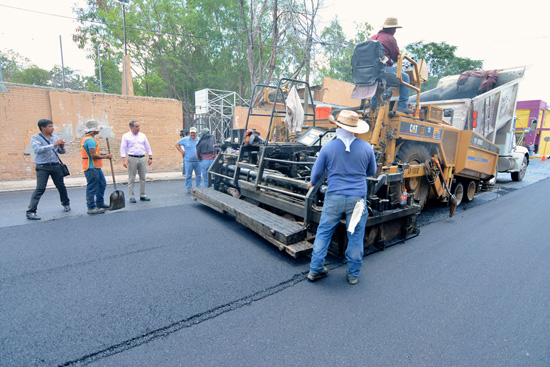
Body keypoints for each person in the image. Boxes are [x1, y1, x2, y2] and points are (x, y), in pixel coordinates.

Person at [307, 110, 377, 285]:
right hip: (357, 200)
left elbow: (316, 175)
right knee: (355, 235)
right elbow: (371, 172)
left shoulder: (328, 147)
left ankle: (315, 270)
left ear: (337, 125)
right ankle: (353, 274)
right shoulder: (366, 147)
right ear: (355, 128)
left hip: (334, 197)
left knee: (324, 233)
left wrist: (311, 183)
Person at [26, 119, 71, 220]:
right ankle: (31, 211)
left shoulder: (55, 137)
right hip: (42, 167)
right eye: (50, 126)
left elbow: (61, 152)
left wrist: (62, 147)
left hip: (55, 165)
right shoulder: (35, 138)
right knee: (40, 188)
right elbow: (37, 149)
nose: (52, 128)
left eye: (52, 126)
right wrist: (54, 145)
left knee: (61, 186)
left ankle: (66, 203)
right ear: (43, 128)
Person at [369, 17, 413, 114]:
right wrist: (404, 58)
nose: (395, 31)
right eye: (395, 29)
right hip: (381, 70)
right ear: (392, 29)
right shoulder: (389, 38)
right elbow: (396, 55)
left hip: (368, 72)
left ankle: (373, 108)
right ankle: (402, 106)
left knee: (378, 84)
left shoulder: (372, 38)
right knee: (405, 77)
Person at [81, 120, 112, 214]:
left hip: (96, 167)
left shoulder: (89, 138)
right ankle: (91, 207)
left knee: (102, 184)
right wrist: (106, 156)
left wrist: (105, 154)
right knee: (92, 187)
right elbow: (93, 155)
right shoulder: (90, 140)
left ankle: (100, 203)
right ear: (94, 130)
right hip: (91, 167)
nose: (99, 130)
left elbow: (96, 153)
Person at [120, 120, 153, 203]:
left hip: (142, 157)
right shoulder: (126, 136)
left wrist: (150, 157)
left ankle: (143, 195)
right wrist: (124, 160)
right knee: (131, 178)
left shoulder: (142, 136)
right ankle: (131, 196)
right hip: (132, 158)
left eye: (139, 126)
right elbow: (123, 148)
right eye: (137, 126)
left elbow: (147, 146)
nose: (139, 128)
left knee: (143, 177)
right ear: (131, 127)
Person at [175, 126, 201, 193]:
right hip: (188, 160)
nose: (193, 134)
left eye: (194, 133)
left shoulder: (199, 139)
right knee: (188, 175)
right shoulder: (185, 139)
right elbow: (177, 144)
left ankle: (199, 188)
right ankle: (188, 188)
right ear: (190, 133)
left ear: (196, 133)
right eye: (191, 133)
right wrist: (182, 151)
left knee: (198, 175)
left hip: (198, 160)